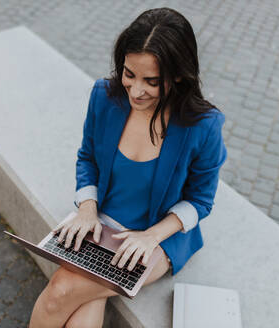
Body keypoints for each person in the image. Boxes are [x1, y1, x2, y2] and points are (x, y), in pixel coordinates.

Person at [29, 7, 227, 328]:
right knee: (76, 302)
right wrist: (87, 210)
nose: (135, 91)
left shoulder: (203, 126)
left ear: (178, 74)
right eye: (129, 74)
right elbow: (88, 158)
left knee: (61, 291)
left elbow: (201, 201)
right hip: (101, 224)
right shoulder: (104, 97)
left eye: (151, 81)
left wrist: (151, 237)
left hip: (157, 239)